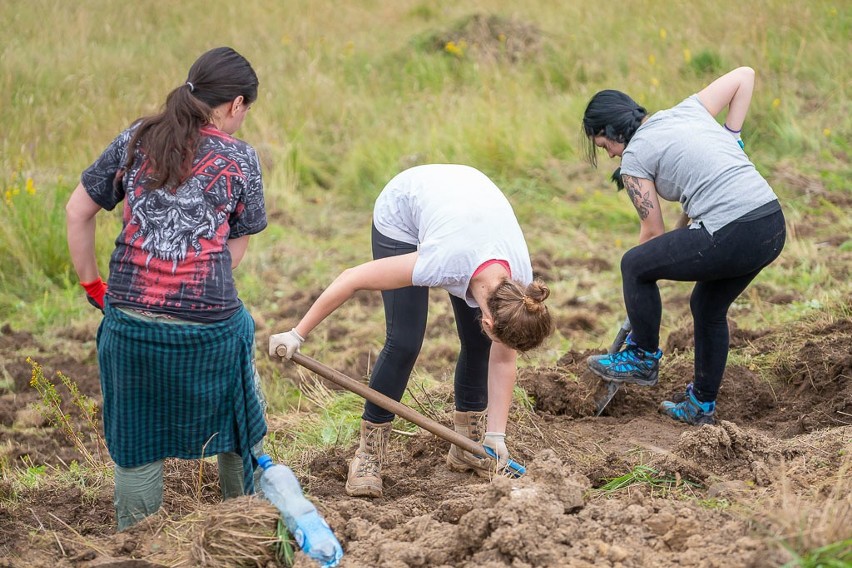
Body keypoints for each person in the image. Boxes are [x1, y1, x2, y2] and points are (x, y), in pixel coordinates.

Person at [65, 47, 268, 530]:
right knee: (243, 421)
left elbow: (77, 212)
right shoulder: (241, 157)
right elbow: (233, 250)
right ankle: (243, 526)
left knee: (137, 441)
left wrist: (94, 285)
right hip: (211, 329)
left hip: (129, 324)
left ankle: (136, 545)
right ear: (236, 104)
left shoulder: (135, 139)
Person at [270, 164, 554, 498]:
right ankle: (369, 454)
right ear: (491, 320)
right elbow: (352, 278)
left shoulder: (518, 288)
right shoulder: (443, 261)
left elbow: (504, 360)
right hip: (405, 209)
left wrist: (496, 436)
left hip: (468, 206)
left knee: (479, 345)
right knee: (405, 340)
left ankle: (470, 446)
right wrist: (297, 333)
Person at [581, 66, 786, 425]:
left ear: (612, 131)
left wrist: (638, 290)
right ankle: (700, 406)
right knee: (706, 306)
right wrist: (732, 134)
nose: (611, 155)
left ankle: (642, 357)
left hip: (733, 230)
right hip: (770, 225)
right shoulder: (688, 110)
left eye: (604, 145)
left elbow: (653, 235)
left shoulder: (634, 159)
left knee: (633, 264)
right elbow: (745, 75)